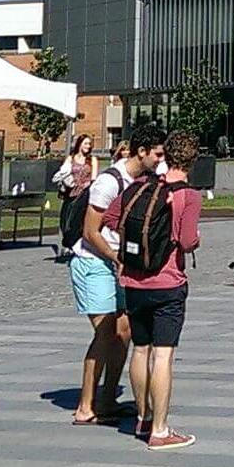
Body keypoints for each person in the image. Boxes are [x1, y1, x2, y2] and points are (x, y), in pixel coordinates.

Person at [68, 123, 166, 424]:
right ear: (142, 151)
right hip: (93, 262)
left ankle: (108, 399)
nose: (160, 160)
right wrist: (116, 257)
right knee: (106, 331)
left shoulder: (146, 178)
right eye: (157, 154)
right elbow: (90, 231)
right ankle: (86, 406)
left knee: (124, 331)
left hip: (118, 263)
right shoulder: (109, 182)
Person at [122, 129, 202, 451]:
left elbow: (114, 219)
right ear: (193, 160)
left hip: (133, 281)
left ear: (165, 154)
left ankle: (142, 416)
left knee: (140, 349)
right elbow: (186, 241)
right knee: (164, 356)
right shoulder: (190, 195)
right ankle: (160, 430)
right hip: (168, 282)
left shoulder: (141, 187)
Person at [52, 134, 98, 259]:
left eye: (89, 144)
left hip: (84, 195)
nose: (88, 146)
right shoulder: (70, 159)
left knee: (79, 221)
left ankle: (77, 245)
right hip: (71, 192)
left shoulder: (92, 160)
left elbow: (94, 178)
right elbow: (64, 172)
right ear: (79, 144)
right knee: (66, 220)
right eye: (86, 143)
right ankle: (68, 243)